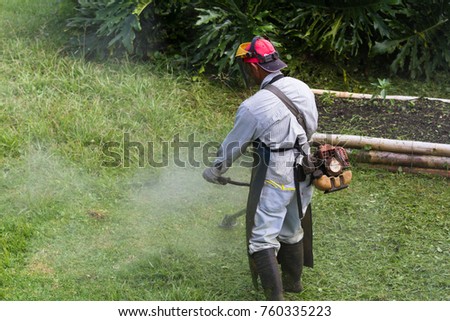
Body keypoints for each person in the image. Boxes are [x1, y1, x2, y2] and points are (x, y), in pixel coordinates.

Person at [202, 36, 318, 300]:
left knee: (262, 239)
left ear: (253, 68)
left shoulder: (253, 107)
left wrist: (215, 170)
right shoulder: (302, 88)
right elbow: (310, 127)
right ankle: (293, 282)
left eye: (247, 69)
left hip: (276, 172)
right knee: (291, 226)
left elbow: (234, 144)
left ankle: (275, 304)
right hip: (305, 166)